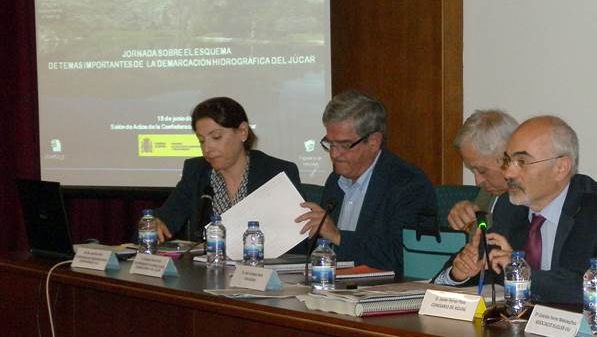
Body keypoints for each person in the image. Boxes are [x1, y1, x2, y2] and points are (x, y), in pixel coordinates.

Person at [438, 115, 597, 306]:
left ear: (561, 167)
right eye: (508, 161)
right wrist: (459, 273)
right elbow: (474, 266)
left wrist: (522, 274)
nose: (508, 173)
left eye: (522, 162)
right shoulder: (508, 206)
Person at [295, 89, 435, 275]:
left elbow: (403, 259)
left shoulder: (409, 185)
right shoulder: (335, 180)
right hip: (333, 287)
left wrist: (338, 236)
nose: (334, 154)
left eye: (344, 145)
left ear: (374, 141)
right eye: (330, 144)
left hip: (384, 294)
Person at [155, 97, 300, 242]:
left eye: (216, 137)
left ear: (242, 131)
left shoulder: (276, 172)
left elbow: (297, 243)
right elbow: (165, 219)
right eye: (202, 140)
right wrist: (154, 225)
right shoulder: (196, 172)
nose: (207, 148)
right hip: (210, 263)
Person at [445, 109, 518, 231]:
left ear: (508, 159)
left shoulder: (533, 203)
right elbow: (476, 240)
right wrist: (464, 218)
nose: (478, 181)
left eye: (483, 171)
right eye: (472, 170)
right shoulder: (488, 193)